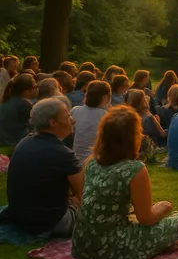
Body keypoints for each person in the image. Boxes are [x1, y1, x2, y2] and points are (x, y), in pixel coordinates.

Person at [72, 106, 178, 259]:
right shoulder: (134, 169)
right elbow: (146, 218)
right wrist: (162, 208)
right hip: (112, 251)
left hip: (82, 245)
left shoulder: (90, 161)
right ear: (132, 137)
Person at [0, 98, 82, 236]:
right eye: (68, 116)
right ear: (53, 122)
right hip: (49, 223)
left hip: (19, 217)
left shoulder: (23, 143)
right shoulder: (63, 154)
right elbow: (82, 191)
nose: (73, 121)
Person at [71, 81, 112, 162]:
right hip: (95, 160)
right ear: (105, 97)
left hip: (75, 157)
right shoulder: (106, 116)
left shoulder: (75, 110)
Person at [0, 73, 36, 146]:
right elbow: (35, 125)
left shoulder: (6, 101)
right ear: (27, 90)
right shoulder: (24, 104)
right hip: (14, 146)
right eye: (35, 87)